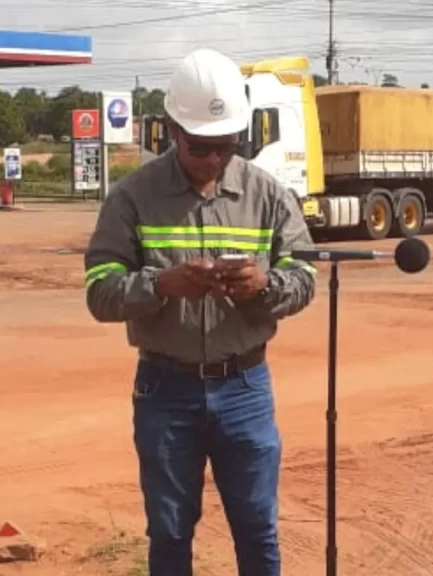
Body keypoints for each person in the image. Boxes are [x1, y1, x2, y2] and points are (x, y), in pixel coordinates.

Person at [83, 48, 318, 575]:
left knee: (258, 528)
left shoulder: (268, 195)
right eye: (201, 147)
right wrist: (160, 284)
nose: (213, 159)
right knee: (169, 531)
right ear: (170, 130)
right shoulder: (132, 198)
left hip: (246, 389)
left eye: (226, 146)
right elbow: (99, 290)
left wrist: (264, 285)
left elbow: (305, 277)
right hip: (166, 388)